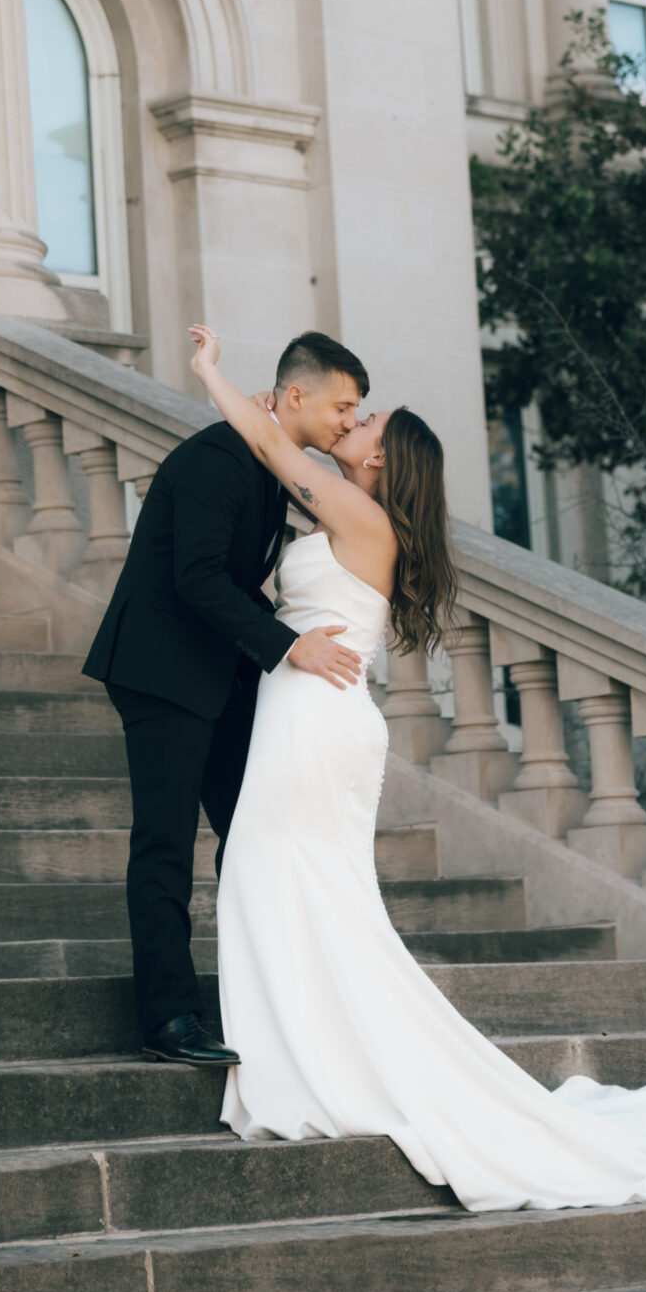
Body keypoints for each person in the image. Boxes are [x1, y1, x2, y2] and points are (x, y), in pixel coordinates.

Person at [187, 325, 646, 1212]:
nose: (356, 422)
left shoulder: (360, 516)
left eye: (367, 424)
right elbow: (276, 460)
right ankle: (300, 1057)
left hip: (314, 719)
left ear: (382, 463)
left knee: (278, 879)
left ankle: (308, 1066)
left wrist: (209, 374)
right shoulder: (347, 509)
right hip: (309, 712)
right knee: (288, 887)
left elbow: (269, 444)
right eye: (356, 411)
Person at [83, 330, 370, 1066]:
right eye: (343, 405)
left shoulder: (276, 465)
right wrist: (290, 645)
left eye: (357, 411)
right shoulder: (219, 459)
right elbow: (197, 579)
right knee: (165, 844)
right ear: (294, 395)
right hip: (160, 670)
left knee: (258, 834)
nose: (348, 420)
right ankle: (168, 1018)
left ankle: (271, 1002)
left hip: (222, 674)